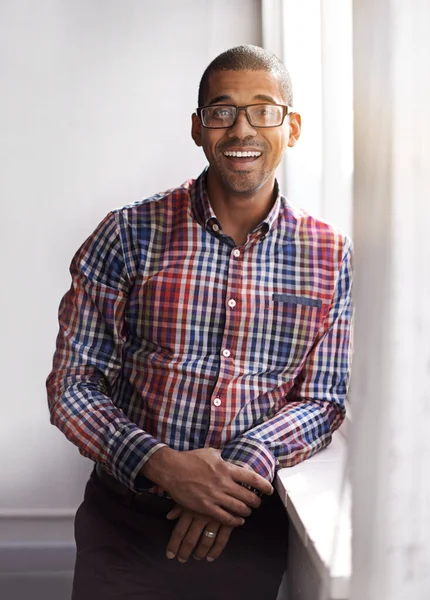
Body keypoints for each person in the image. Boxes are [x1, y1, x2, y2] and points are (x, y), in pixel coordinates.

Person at [47, 44, 353, 600]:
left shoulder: (329, 254)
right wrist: (161, 465)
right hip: (125, 532)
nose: (242, 129)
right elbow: (72, 386)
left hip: (247, 531)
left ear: (294, 126)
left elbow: (324, 399)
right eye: (222, 111)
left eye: (263, 110)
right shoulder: (126, 235)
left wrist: (238, 467)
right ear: (197, 127)